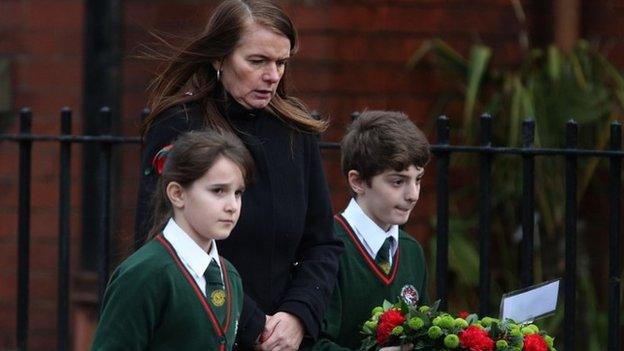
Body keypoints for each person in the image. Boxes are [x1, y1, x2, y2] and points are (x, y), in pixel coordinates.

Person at [135, 1, 343, 349]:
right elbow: (161, 240)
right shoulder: (179, 125)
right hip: (203, 331)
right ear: (219, 57)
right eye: (257, 61)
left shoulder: (296, 130)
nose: (273, 76)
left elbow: (321, 242)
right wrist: (251, 324)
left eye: (281, 63)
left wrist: (298, 315)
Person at [92, 130, 254, 350]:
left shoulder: (230, 275)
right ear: (177, 194)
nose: (232, 206)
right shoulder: (144, 275)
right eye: (218, 190)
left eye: (238, 193)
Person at [307, 111, 431, 350]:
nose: (413, 194)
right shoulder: (326, 247)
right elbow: (311, 343)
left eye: (418, 179)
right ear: (358, 181)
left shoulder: (411, 250)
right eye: (398, 181)